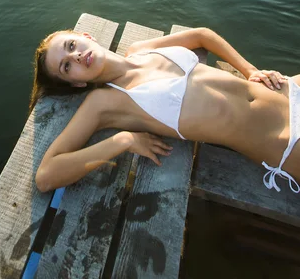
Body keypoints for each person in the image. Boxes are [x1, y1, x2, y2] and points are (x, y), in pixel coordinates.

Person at [31, 27, 300, 194]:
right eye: (67, 66)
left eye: (71, 45)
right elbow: (45, 176)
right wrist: (123, 141)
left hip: (287, 90)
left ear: (85, 37)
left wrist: (250, 70)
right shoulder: (105, 103)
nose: (75, 56)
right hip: (286, 141)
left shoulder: (140, 50)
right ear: (77, 82)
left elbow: (201, 36)